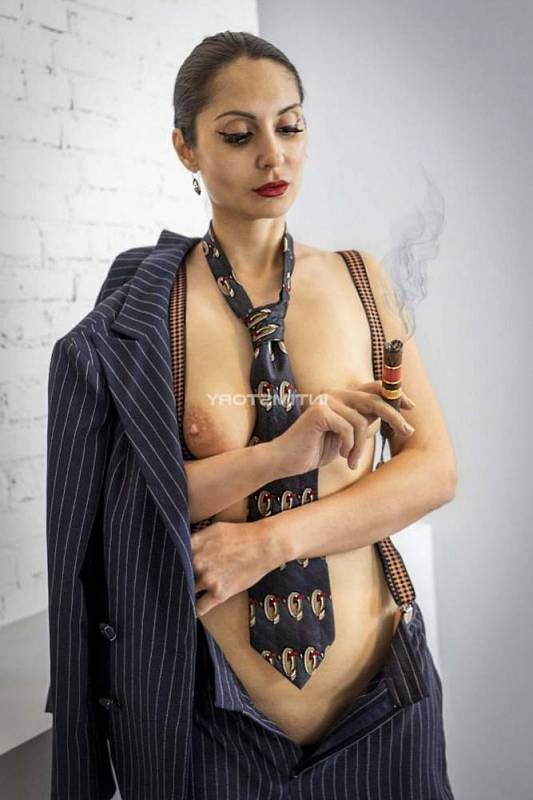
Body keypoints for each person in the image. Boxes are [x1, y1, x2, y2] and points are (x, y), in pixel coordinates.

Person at [45, 30, 457, 800]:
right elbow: (126, 503)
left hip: (382, 707)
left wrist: (267, 542)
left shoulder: (362, 284)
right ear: (186, 148)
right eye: (238, 135)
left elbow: (432, 470)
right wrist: (276, 457)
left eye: (289, 127)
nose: (273, 156)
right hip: (209, 733)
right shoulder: (144, 315)